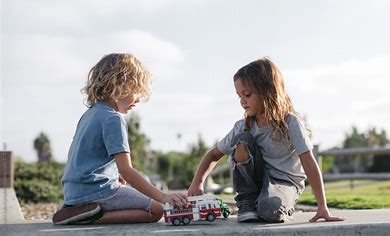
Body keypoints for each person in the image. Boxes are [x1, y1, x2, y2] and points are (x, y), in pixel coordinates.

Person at [188, 58, 345, 223]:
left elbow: (308, 162)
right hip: (255, 182)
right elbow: (213, 154)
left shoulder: (290, 123)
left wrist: (322, 206)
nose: (242, 101)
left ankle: (275, 205)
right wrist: (197, 182)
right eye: (239, 95)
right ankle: (247, 202)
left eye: (247, 94)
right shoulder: (242, 126)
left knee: (269, 210)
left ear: (267, 91)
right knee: (241, 139)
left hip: (284, 182)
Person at [53, 53, 187, 225]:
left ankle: (78, 211)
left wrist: (114, 175)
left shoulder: (89, 114)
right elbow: (127, 170)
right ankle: (91, 217)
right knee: (156, 210)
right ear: (118, 85)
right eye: (136, 91)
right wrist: (163, 196)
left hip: (73, 193)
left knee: (138, 199)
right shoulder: (113, 118)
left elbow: (88, 157)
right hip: (99, 191)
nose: (138, 99)